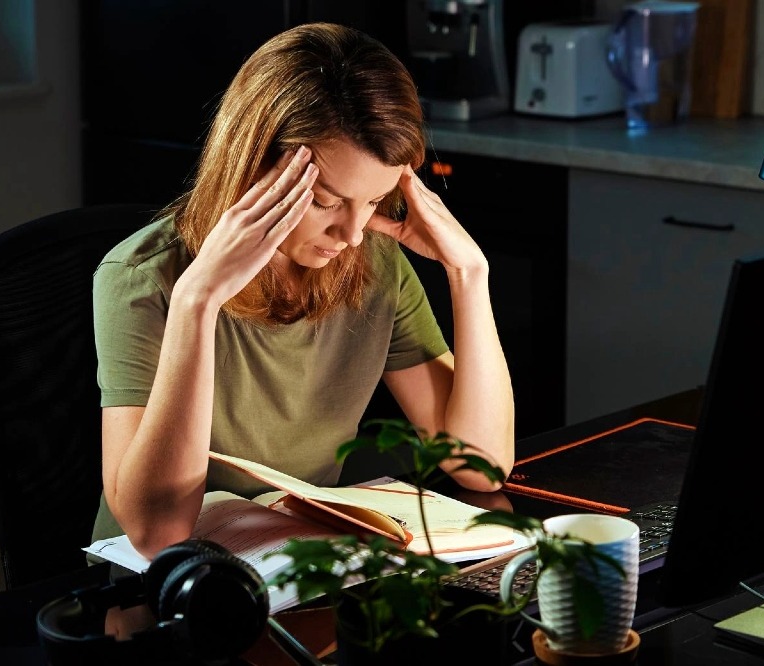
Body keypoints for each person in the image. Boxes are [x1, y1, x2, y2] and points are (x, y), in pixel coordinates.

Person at [90, 22, 515, 559]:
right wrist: (197, 302)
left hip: (296, 565)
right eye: (326, 201)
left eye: (375, 201)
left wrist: (469, 277)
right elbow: (159, 534)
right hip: (162, 590)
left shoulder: (374, 262)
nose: (353, 234)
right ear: (252, 167)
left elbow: (481, 466)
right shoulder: (141, 277)